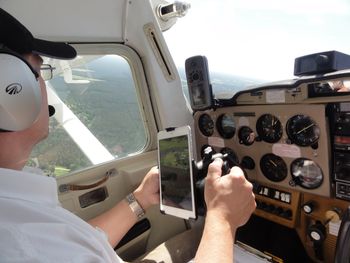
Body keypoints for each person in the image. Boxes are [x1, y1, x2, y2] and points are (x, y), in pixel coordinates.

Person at [0, 8, 256, 263]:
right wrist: (223, 219)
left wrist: (140, 198)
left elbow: (75, 246)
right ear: (11, 89)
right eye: (39, 71)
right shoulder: (19, 246)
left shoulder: (15, 208)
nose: (44, 85)